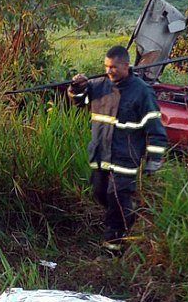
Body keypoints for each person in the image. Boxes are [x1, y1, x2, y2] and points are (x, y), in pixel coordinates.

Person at [68, 44, 168, 253]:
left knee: (117, 200)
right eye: (106, 66)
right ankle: (128, 216)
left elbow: (155, 128)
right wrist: (77, 88)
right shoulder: (98, 85)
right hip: (100, 156)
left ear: (125, 65)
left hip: (125, 159)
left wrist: (154, 160)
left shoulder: (142, 92)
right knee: (100, 194)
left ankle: (113, 247)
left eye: (113, 67)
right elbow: (79, 102)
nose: (108, 71)